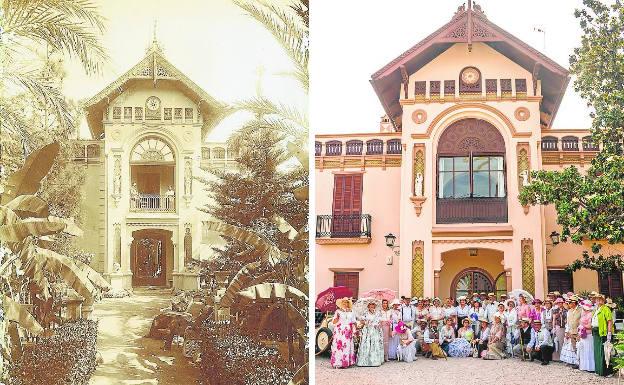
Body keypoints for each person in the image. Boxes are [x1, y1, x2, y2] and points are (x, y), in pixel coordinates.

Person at [356, 299, 384, 367]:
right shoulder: (365, 313)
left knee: (374, 344)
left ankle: (374, 361)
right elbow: (361, 321)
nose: (372, 307)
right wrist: (366, 322)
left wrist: (377, 324)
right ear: (368, 306)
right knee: (367, 344)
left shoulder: (377, 313)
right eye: (370, 305)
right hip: (367, 330)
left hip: (374, 330)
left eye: (373, 305)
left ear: (374, 306)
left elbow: (380, 322)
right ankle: (365, 361)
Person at [330, 297, 356, 369]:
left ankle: (346, 363)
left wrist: (354, 330)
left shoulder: (352, 311)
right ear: (341, 303)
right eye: (344, 302)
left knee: (347, 346)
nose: (345, 303)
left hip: (348, 330)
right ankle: (338, 363)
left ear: (348, 303)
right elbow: (333, 322)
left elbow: (354, 321)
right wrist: (337, 318)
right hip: (339, 330)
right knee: (339, 346)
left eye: (347, 302)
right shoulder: (338, 311)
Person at [592, 294, 614, 376]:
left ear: (603, 300)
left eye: (600, 299)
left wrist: (609, 333)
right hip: (595, 332)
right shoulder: (596, 309)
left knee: (604, 352)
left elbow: (609, 321)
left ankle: (607, 372)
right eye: (597, 299)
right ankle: (598, 370)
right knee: (597, 352)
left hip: (603, 333)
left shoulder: (606, 309)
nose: (598, 300)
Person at [561, 295, 581, 367]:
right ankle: (573, 361)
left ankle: (578, 362)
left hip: (578, 331)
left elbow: (581, 322)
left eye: (570, 302)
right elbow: (568, 322)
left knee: (578, 347)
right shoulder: (569, 311)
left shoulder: (580, 310)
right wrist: (566, 331)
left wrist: (580, 332)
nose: (568, 304)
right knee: (572, 347)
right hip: (570, 331)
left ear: (574, 303)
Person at [577, 299, 595, 372]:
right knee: (583, 350)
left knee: (589, 350)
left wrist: (582, 326)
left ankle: (590, 367)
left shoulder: (591, 315)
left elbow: (590, 326)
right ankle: (584, 366)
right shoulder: (584, 314)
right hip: (583, 334)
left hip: (588, 335)